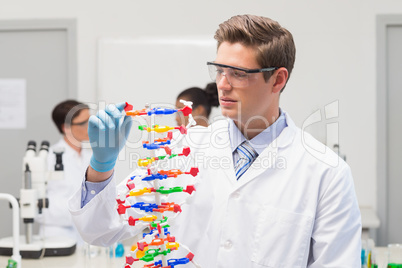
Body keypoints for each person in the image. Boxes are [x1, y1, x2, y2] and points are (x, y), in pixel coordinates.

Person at [69, 15, 361, 267]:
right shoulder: (181, 149)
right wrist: (101, 168)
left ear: (278, 80)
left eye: (238, 73)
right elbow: (100, 230)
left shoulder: (326, 172)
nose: (222, 84)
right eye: (219, 70)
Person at [38, 100, 91, 244]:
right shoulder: (47, 158)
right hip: (57, 235)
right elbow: (35, 206)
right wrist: (78, 213)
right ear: (66, 127)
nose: (91, 127)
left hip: (86, 236)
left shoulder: (91, 156)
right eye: (83, 123)